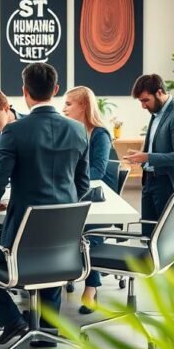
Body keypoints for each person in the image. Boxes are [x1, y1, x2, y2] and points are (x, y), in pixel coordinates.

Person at [0, 63, 89, 346]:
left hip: (21, 243)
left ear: (24, 92)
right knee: (52, 253)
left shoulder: (15, 131)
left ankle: (13, 321)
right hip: (64, 242)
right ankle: (48, 331)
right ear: (56, 90)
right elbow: (82, 185)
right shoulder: (78, 130)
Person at [124, 74, 174, 245]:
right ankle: (153, 271)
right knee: (148, 236)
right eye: (141, 101)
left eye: (145, 100)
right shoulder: (156, 113)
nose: (143, 106)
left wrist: (147, 157)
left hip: (166, 183)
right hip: (150, 181)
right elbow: (157, 146)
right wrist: (141, 155)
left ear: (160, 92)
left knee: (165, 238)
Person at [62, 86, 114, 314]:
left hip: (99, 196)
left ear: (83, 106)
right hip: (76, 191)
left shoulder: (100, 134)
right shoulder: (72, 131)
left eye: (68, 104)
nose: (63, 109)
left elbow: (98, 171)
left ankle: (92, 288)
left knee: (90, 229)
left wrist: (68, 177)